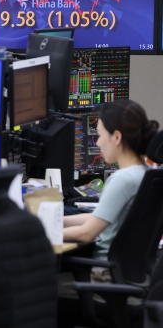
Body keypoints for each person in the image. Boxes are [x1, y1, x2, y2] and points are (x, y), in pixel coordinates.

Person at [63, 99, 159, 265]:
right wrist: (59, 220)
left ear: (116, 137)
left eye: (100, 135)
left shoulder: (122, 180)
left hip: (104, 273)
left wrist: (42, 231)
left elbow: (86, 234)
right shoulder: (147, 174)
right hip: (130, 273)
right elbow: (102, 218)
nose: (98, 142)